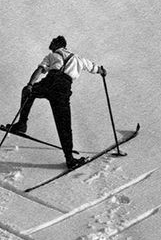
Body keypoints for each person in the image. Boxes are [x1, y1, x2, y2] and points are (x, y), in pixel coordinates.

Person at [8, 36, 106, 169]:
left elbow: (39, 71)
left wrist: (30, 85)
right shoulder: (78, 59)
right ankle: (70, 159)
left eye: (53, 42)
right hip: (62, 89)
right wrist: (101, 71)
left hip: (48, 83)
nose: (50, 43)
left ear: (58, 45)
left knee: (28, 93)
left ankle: (22, 124)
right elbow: (94, 68)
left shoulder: (52, 56)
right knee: (64, 124)